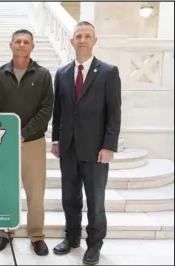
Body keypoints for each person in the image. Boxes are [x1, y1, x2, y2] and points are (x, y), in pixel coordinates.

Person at [51, 21, 121, 265]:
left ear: (94, 40)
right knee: (70, 198)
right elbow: (58, 111)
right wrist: (56, 140)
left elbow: (114, 113)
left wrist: (109, 146)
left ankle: (94, 245)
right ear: (72, 41)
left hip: (95, 150)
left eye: (87, 36)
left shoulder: (108, 72)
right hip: (68, 148)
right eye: (78, 36)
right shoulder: (61, 73)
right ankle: (71, 238)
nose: (82, 40)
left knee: (95, 202)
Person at [0, 29, 53, 256]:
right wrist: (7, 133)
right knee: (5, 189)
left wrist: (23, 133)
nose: (22, 45)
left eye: (26, 42)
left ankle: (36, 235)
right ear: (11, 45)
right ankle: (5, 232)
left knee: (35, 193)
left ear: (32, 47)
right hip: (5, 143)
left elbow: (46, 110)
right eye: (18, 41)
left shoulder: (43, 75)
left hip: (33, 143)